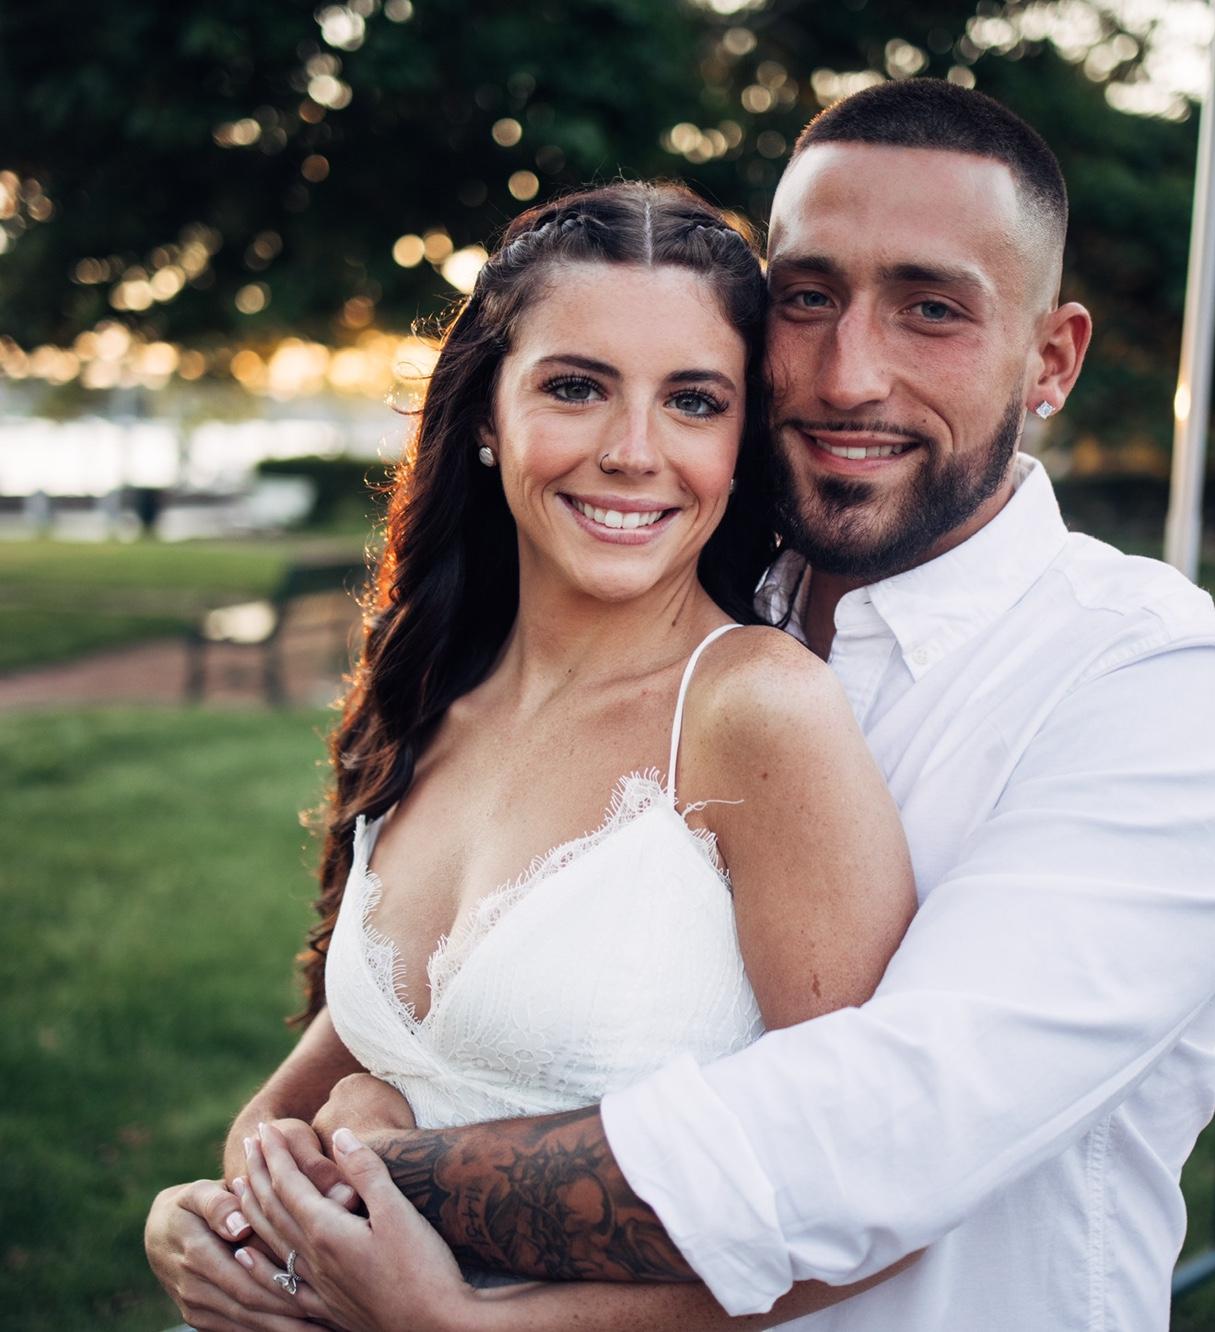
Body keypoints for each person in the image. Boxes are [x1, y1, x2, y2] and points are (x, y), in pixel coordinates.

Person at [149, 80, 1215, 1332]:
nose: (849, 375)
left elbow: (880, 1136)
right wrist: (221, 1203)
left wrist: (385, 1174)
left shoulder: (1157, 684)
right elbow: (382, 1044)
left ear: (1052, 359)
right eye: (808, 297)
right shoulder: (660, 605)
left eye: (932, 309)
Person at [146, 181, 921, 1331]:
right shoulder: (439, 695)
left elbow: (871, 1205)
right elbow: (315, 1095)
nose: (633, 452)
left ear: (738, 441)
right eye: (575, 387)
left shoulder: (755, 712)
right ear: (485, 416)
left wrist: (472, 1328)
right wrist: (193, 1219)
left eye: (693, 402)